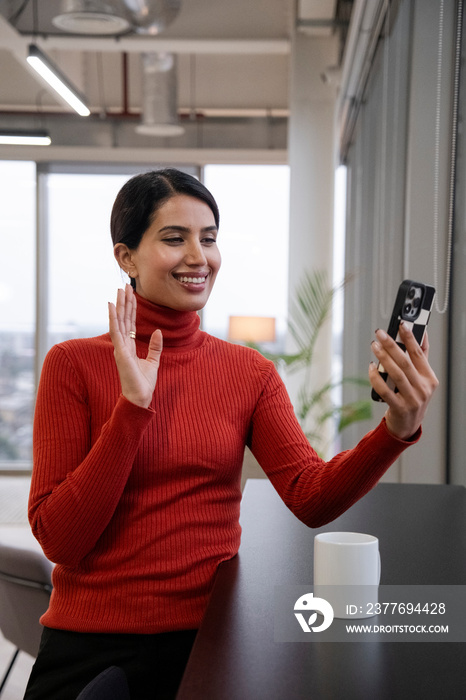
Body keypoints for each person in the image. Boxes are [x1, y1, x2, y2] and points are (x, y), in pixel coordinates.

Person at [24, 169, 438, 699]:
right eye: (175, 238)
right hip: (92, 643)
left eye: (210, 237)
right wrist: (131, 410)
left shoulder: (248, 372)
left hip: (209, 637)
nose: (199, 256)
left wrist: (395, 431)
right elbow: (60, 539)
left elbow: (310, 496)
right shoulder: (72, 365)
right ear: (126, 257)